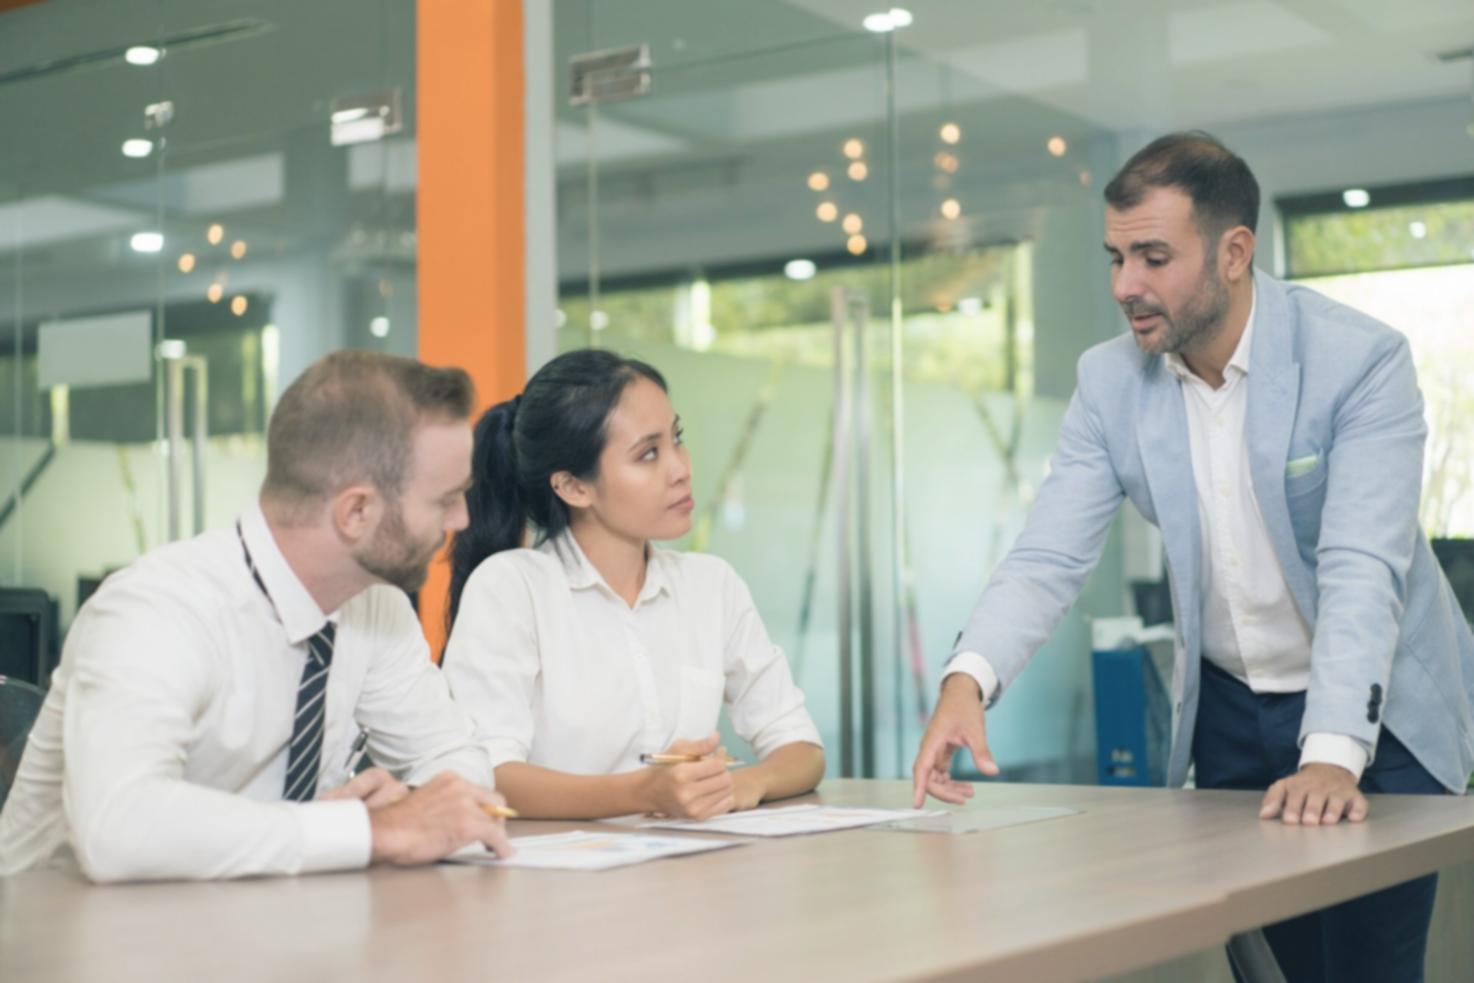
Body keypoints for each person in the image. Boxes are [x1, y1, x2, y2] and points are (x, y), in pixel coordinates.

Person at [911, 132, 1474, 982]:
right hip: (1233, 714)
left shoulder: (1358, 360)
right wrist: (967, 679)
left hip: (1377, 715)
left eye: (1153, 256)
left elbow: (1362, 568)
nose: (1124, 285)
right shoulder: (1110, 382)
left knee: (1367, 969)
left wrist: (1330, 754)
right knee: (1273, 967)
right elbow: (1048, 555)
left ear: (1234, 253)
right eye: (1116, 258)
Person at [0, 351, 512, 882]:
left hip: (256, 916)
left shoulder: (373, 603)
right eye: (445, 500)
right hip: (60, 922)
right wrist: (368, 830)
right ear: (356, 512)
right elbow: (119, 827)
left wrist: (414, 804)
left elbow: (457, 757)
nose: (461, 519)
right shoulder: (157, 608)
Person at [442, 348, 824, 820]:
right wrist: (645, 793)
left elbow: (801, 747)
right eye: (648, 454)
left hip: (689, 859)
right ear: (573, 487)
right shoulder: (513, 587)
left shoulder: (712, 585)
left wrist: (741, 785)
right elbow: (488, 774)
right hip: (550, 865)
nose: (680, 468)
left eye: (676, 439)